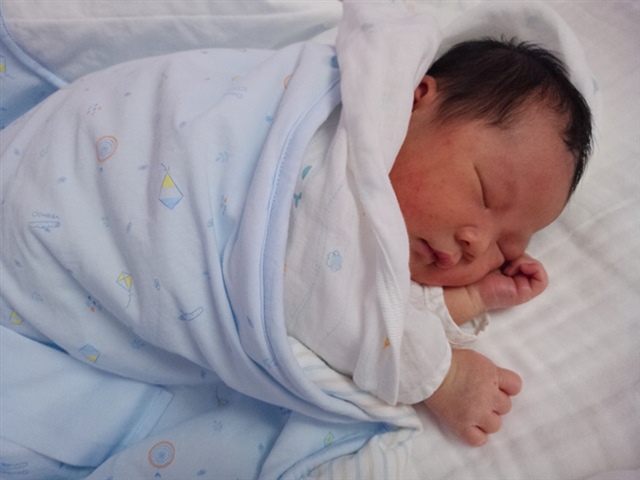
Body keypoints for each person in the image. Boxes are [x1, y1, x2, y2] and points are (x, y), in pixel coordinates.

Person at [285, 38, 593, 447]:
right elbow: (323, 295)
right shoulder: (335, 153)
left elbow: (378, 290)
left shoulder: (378, 242)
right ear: (417, 100)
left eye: (505, 248)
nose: (477, 243)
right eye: (485, 193)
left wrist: (473, 297)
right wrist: (443, 376)